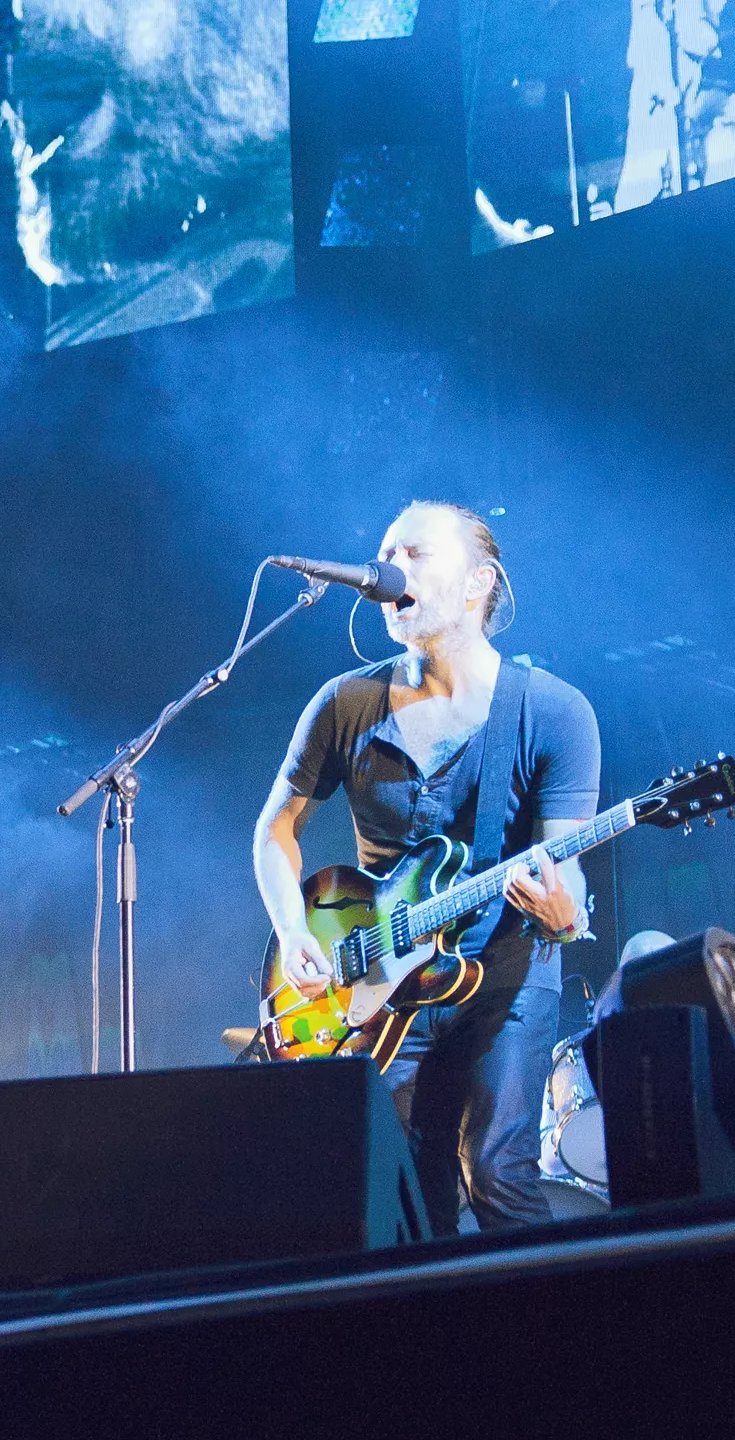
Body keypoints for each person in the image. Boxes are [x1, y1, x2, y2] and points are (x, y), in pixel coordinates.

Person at [253, 502, 599, 1233]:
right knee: (401, 1186)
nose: (388, 571)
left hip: (504, 969)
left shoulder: (553, 711)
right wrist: (293, 930)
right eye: (384, 553)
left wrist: (567, 918)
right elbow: (275, 829)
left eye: (413, 555)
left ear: (478, 584)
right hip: (380, 975)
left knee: (498, 1172)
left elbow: (564, 865)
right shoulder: (345, 703)